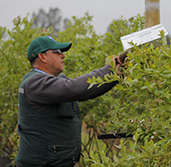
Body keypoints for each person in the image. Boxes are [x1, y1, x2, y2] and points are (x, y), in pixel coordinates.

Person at [16, 36, 123, 167]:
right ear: (42, 57)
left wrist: (115, 75)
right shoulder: (35, 83)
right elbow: (73, 88)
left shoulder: (55, 79)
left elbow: (87, 91)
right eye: (58, 52)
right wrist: (108, 69)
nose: (63, 56)